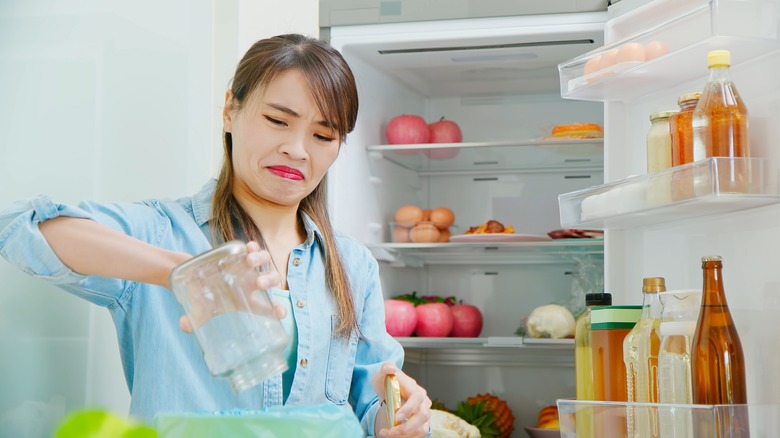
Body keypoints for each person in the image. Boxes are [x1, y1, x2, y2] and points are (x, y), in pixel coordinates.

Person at [0, 34, 431, 437]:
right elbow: (18, 227)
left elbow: (371, 397)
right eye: (278, 120)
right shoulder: (163, 231)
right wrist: (184, 271)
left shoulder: (352, 266)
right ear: (230, 111)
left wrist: (401, 413)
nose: (298, 149)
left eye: (323, 135)